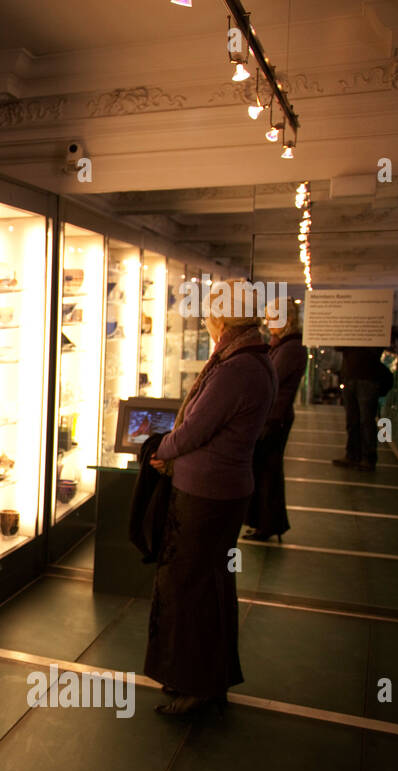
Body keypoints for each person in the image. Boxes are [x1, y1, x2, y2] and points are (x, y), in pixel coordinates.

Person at [146, 280, 276, 716]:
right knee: (209, 585)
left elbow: (197, 429)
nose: (206, 321)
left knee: (192, 586)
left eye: (210, 314)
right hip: (220, 490)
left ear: (224, 319)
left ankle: (196, 683)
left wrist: (159, 452)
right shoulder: (252, 360)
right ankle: (202, 677)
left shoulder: (237, 369)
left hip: (206, 496)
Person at [245, 299, 308, 542]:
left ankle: (269, 523)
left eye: (273, 317)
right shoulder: (284, 345)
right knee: (265, 470)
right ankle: (266, 522)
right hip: (274, 417)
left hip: (274, 420)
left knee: (268, 471)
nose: (268, 321)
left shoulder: (291, 348)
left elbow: (272, 378)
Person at [334, 346, 388, 472]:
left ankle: (367, 457)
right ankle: (353, 454)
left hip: (367, 376)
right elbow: (338, 346)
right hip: (351, 375)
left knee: (366, 420)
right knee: (352, 419)